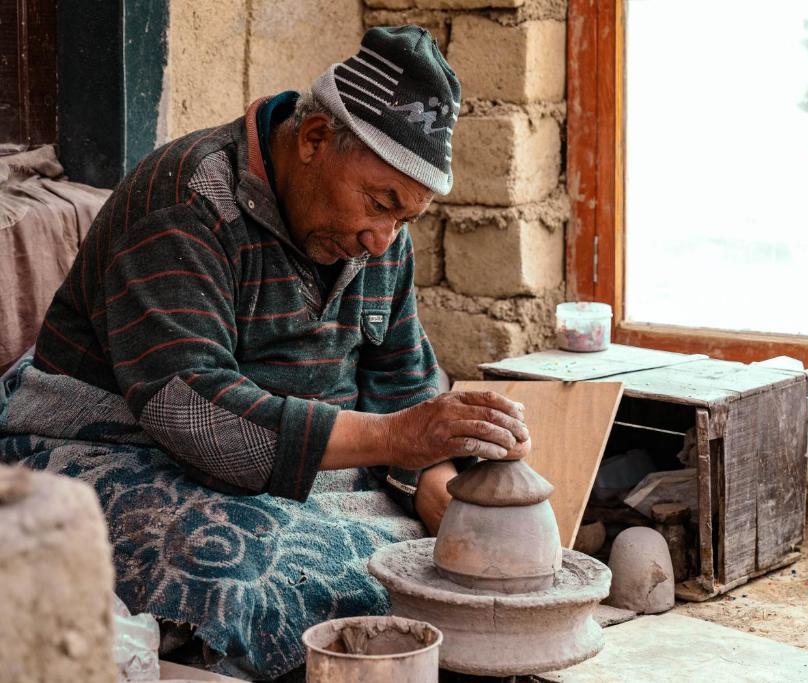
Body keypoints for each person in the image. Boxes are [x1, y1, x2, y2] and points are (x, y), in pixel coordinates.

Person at [0, 25, 528, 677]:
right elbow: (195, 413)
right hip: (112, 449)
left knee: (433, 561)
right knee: (243, 568)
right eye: (380, 203)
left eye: (405, 219)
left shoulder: (380, 241)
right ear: (312, 140)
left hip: (294, 477)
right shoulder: (185, 198)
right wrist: (397, 439)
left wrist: (432, 480)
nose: (381, 238)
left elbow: (402, 382)